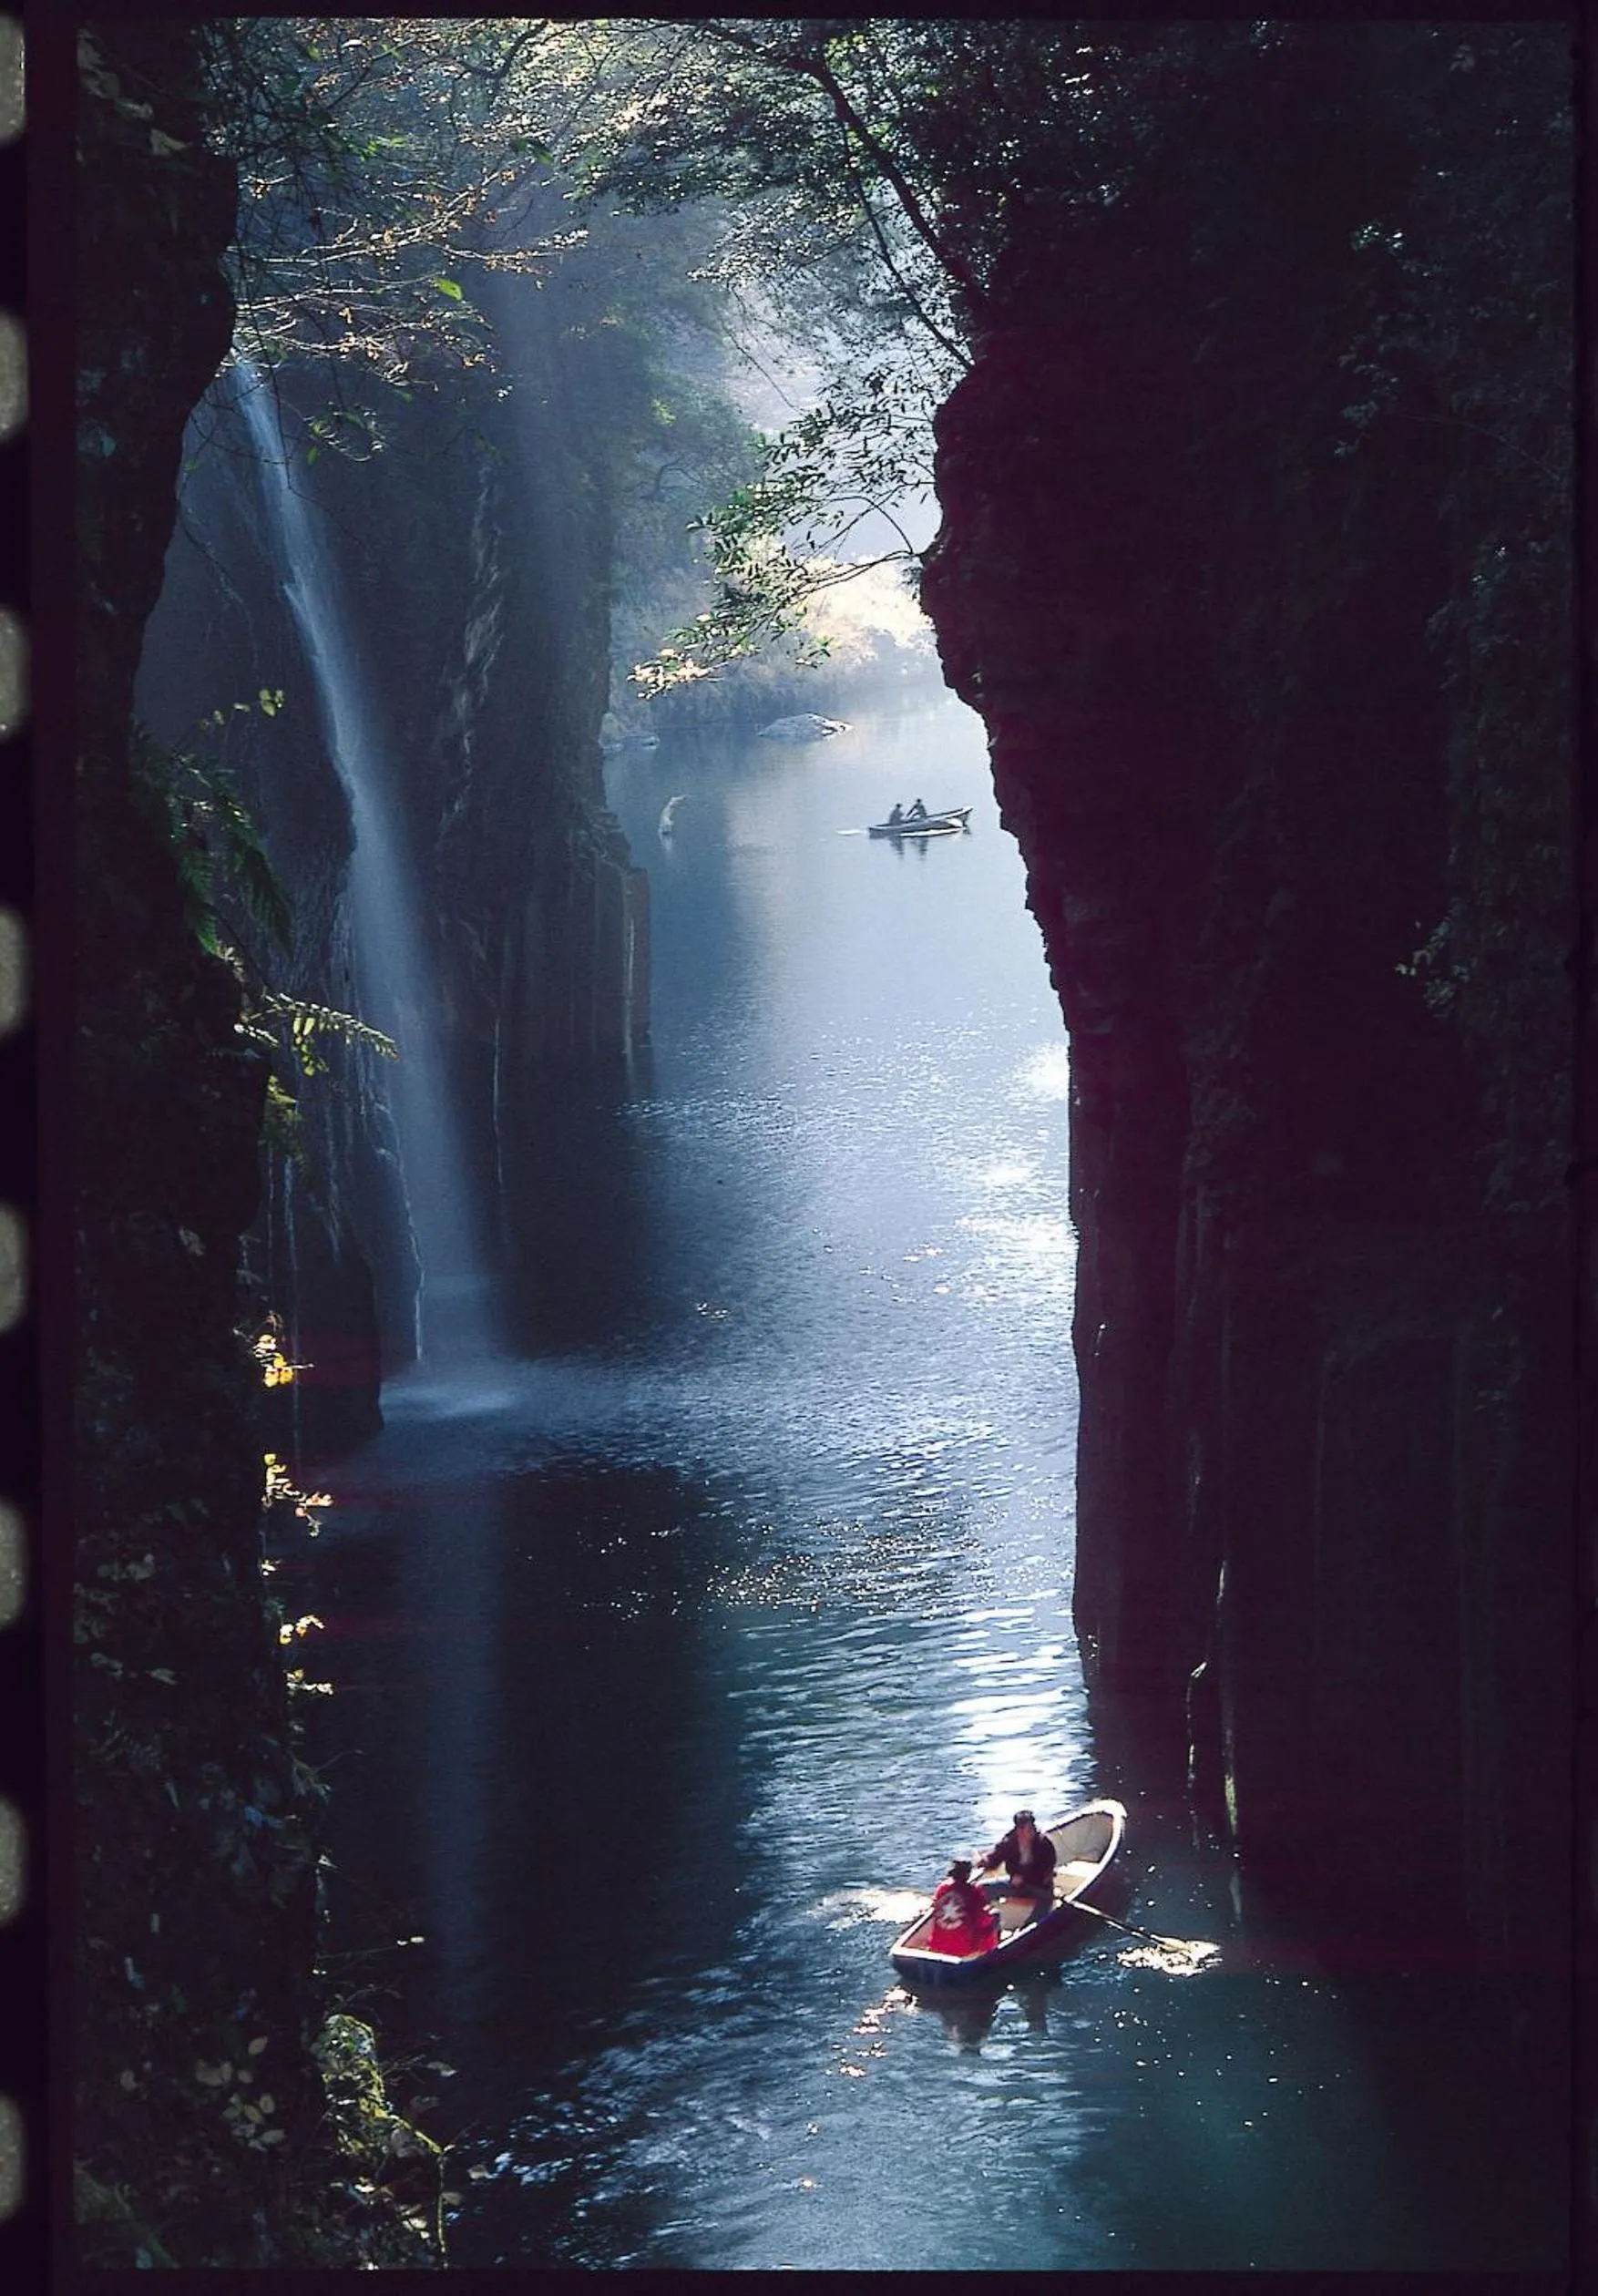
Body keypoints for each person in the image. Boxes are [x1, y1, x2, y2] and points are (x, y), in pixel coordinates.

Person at [975, 1809, 1057, 1923]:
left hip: (1040, 1886)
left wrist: (1024, 1877)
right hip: (1017, 1885)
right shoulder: (1009, 1842)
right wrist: (984, 1861)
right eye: (1028, 1829)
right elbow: (996, 1858)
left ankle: (1029, 1927)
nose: (1032, 1832)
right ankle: (980, 1922)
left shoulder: (1044, 1843)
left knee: (1045, 1900)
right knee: (981, 1889)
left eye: (1032, 1828)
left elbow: (1047, 1868)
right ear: (1019, 1830)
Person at [927, 1858, 999, 1957]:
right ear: (968, 1874)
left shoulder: (941, 1889)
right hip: (963, 1948)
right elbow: (982, 1917)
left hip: (937, 1946)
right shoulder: (973, 1891)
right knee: (995, 1915)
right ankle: (992, 1950)